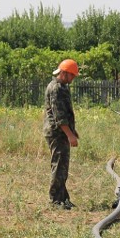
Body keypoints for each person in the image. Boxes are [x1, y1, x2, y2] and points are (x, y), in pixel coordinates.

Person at [43, 59, 80, 209]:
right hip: (57, 133)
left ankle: (63, 199)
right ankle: (55, 200)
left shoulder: (63, 87)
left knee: (63, 166)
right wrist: (69, 134)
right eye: (72, 75)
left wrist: (72, 131)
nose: (73, 79)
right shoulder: (56, 88)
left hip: (62, 132)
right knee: (58, 166)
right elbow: (59, 117)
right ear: (64, 73)